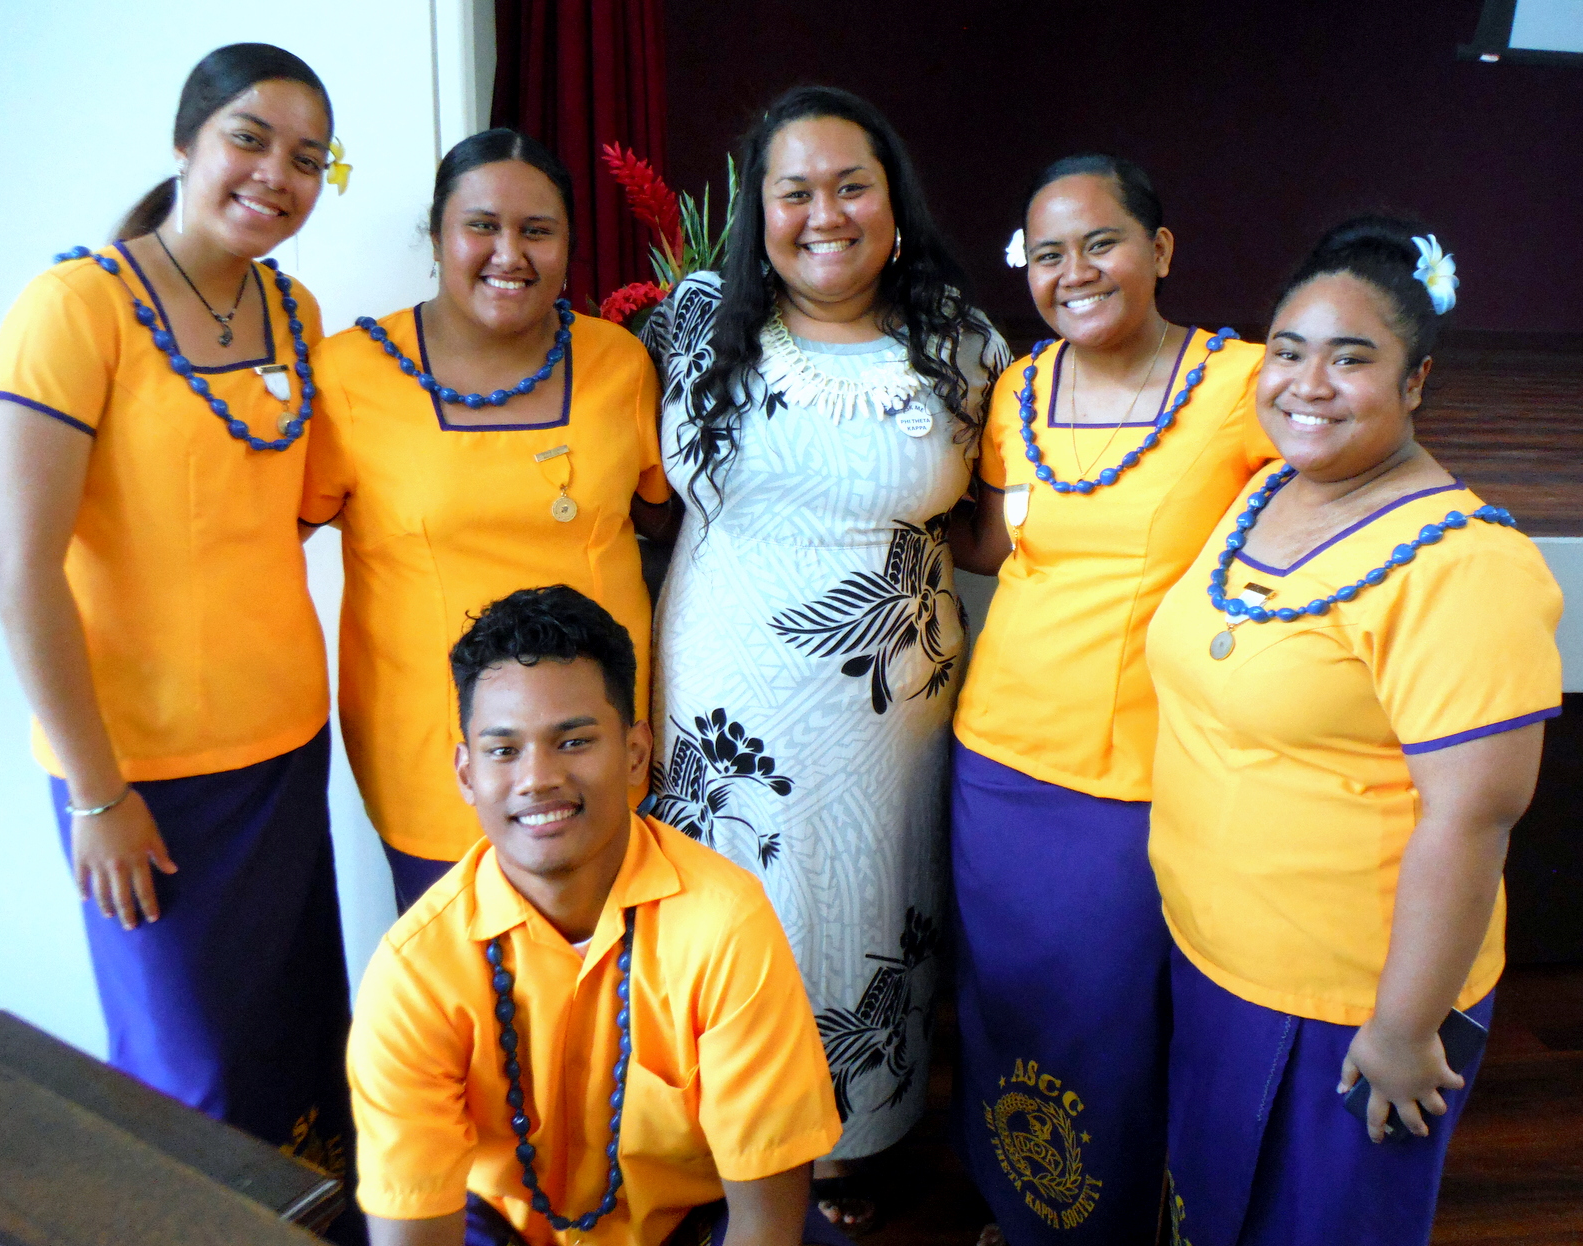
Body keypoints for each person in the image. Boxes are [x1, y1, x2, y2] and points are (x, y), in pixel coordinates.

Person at [1148, 218, 1561, 1245]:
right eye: (1286, 350)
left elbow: (1472, 819)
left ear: (1415, 382)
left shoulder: (1460, 567)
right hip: (1219, 962)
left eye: (1350, 357)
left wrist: (1402, 1027)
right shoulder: (1264, 492)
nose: (1306, 381)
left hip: (1348, 1005)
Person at [642, 85, 1009, 1225]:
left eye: (851, 185)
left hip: (886, 704)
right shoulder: (700, 318)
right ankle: (722, 1137)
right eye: (792, 190)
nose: (824, 213)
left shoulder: (957, 334)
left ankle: (855, 1144)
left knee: (869, 899)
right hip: (721, 691)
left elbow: (991, 524)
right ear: (759, 209)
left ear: (893, 201)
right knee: (734, 906)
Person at [0, 44, 352, 1169]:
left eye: (306, 158)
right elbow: (18, 565)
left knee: (294, 1053)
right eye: (250, 138)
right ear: (187, 141)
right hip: (139, 776)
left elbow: (271, 518)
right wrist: (99, 797)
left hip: (284, 748)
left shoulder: (296, 311)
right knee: (190, 1082)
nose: (274, 175)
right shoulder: (75, 304)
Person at [946, 155, 1276, 1244]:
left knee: (1112, 1020)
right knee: (1006, 1002)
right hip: (994, 761)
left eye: (1101, 242)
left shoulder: (1240, 387)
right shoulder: (1019, 386)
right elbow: (994, 544)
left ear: (1160, 249)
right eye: (1047, 253)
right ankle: (1023, 1209)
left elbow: (1333, 505)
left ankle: (1108, 1222)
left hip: (1136, 777)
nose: (1073, 271)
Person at [347, 585, 851, 1246]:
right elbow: (412, 1236)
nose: (538, 778)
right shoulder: (413, 974)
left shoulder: (725, 927)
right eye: (503, 751)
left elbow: (765, 1220)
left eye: (574, 741)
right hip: (498, 1227)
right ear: (467, 773)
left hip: (697, 1225)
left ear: (636, 754)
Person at [301, 129, 673, 913]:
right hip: (437, 757)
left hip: (598, 746)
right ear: (438, 234)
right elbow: (258, 545)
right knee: (470, 998)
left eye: (537, 230)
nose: (510, 253)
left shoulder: (620, 364)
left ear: (569, 246)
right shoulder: (348, 375)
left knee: (609, 998)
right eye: (482, 226)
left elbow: (673, 530)